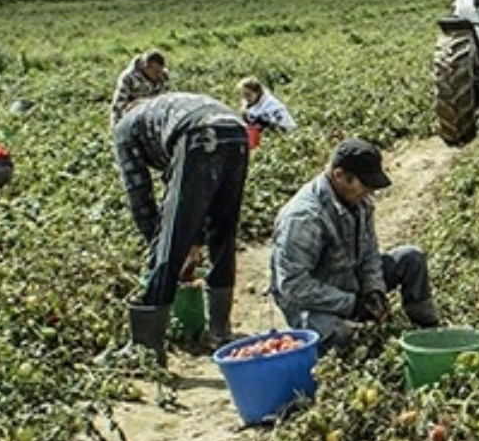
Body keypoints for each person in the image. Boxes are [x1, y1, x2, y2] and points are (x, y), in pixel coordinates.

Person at [113, 92, 250, 360]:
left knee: (170, 238)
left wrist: (157, 244)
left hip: (199, 133)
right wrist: (195, 240)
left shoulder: (125, 127)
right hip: (236, 131)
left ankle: (147, 347)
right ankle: (220, 331)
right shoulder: (162, 114)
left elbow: (139, 196)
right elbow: (191, 189)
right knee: (223, 230)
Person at [270, 138, 440, 342]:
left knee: (411, 258)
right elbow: (293, 286)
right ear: (339, 175)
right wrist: (352, 305)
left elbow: (369, 254)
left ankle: (428, 331)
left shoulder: (360, 203)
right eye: (365, 185)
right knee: (349, 337)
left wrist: (373, 290)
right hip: (313, 304)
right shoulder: (304, 218)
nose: (370, 192)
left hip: (351, 281)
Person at [110, 50, 170, 123]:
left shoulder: (163, 75)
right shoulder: (128, 77)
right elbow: (118, 108)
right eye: (156, 72)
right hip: (131, 119)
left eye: (161, 71)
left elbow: (167, 99)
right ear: (146, 67)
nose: (159, 75)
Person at [236, 76, 296, 147]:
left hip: (281, 140)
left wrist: (266, 123)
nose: (245, 98)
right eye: (243, 95)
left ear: (257, 92)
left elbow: (286, 127)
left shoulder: (272, 104)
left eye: (248, 95)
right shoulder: (248, 104)